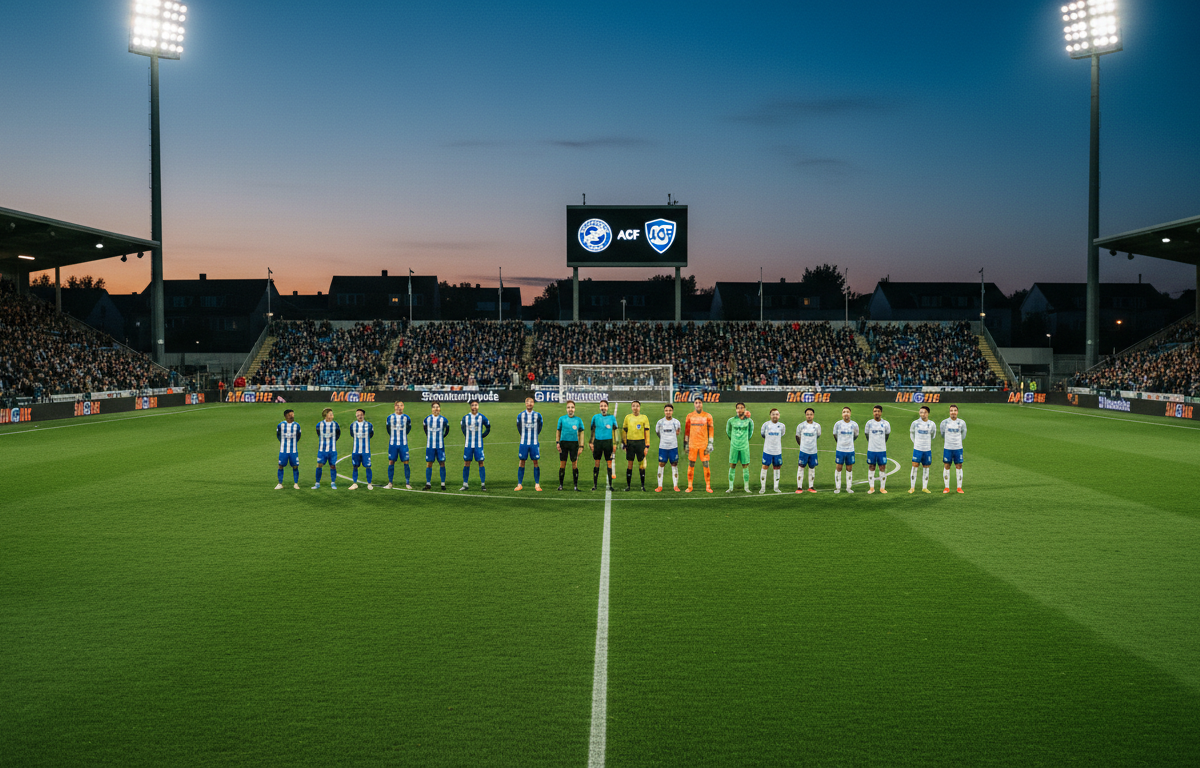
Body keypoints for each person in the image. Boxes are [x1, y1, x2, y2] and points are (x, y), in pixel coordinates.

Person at [683, 396, 715, 493]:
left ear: (702, 404)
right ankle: (689, 486)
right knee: (691, 464)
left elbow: (711, 430)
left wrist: (710, 443)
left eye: (699, 403)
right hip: (692, 444)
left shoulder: (708, 416)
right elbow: (687, 431)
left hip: (703, 445)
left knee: (706, 464)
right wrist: (686, 444)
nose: (698, 404)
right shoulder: (689, 416)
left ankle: (708, 486)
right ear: (694, 404)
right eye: (696, 402)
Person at [460, 398, 491, 491]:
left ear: (478, 406)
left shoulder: (482, 417)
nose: (474, 407)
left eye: (476, 405)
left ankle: (483, 484)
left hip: (478, 445)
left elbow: (488, 427)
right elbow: (463, 428)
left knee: (481, 463)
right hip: (468, 445)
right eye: (472, 405)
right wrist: (467, 436)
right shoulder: (465, 417)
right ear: (470, 407)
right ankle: (465, 484)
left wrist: (482, 436)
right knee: (466, 463)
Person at [621, 399, 651, 491]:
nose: (635, 408)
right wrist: (624, 444)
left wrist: (647, 446)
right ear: (631, 407)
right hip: (630, 443)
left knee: (641, 465)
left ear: (640, 407)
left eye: (637, 406)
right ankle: (628, 486)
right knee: (630, 464)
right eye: (633, 406)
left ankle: (642, 486)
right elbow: (624, 431)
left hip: (640, 443)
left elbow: (647, 432)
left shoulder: (644, 418)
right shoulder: (628, 417)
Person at [514, 396, 543, 491]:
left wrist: (535, 434)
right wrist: (524, 436)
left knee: (535, 462)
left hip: (534, 443)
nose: (529, 404)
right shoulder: (520, 415)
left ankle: (537, 484)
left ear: (533, 403)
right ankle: (519, 484)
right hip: (524, 443)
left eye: (531, 402)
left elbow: (540, 426)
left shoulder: (538, 415)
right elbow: (519, 427)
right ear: (525, 404)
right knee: (522, 461)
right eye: (528, 402)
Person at [589, 399, 618, 491]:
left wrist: (615, 443)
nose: (603, 408)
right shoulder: (595, 417)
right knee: (596, 462)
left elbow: (615, 431)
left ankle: (610, 485)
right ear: (599, 407)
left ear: (607, 407)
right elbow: (592, 431)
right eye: (601, 406)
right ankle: (595, 485)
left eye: (605, 406)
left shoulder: (612, 418)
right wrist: (591, 442)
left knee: (609, 463)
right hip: (598, 442)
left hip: (608, 443)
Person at [725, 402, 755, 493]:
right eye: (738, 408)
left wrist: (745, 440)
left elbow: (750, 433)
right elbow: (728, 432)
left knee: (745, 466)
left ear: (745, 409)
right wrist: (734, 440)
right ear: (736, 410)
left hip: (744, 446)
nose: (740, 409)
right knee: (732, 465)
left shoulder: (749, 421)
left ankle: (746, 487)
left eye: (742, 407)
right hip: (734, 446)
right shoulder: (731, 420)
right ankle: (730, 487)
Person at [556, 399, 585, 491]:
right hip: (563, 444)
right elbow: (558, 431)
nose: (570, 409)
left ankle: (575, 486)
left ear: (574, 409)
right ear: (566, 409)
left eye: (572, 407)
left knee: (574, 465)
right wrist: (557, 442)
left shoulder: (578, 420)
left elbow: (581, 432)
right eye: (568, 407)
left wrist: (581, 446)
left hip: (574, 444)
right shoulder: (562, 419)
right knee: (562, 465)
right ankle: (561, 485)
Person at [908, 405, 938, 494]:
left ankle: (924, 487)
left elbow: (933, 435)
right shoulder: (915, 423)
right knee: (914, 467)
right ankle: (912, 487)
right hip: (917, 449)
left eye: (924, 412)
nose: (923, 414)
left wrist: (926, 442)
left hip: (927, 449)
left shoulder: (932, 424)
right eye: (921, 412)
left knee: (926, 468)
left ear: (928, 413)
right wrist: (916, 442)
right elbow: (911, 433)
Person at [422, 401, 450, 491]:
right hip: (430, 446)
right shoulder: (427, 419)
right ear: (431, 409)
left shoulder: (444, 420)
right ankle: (428, 483)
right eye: (434, 407)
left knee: (442, 463)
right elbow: (425, 428)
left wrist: (443, 436)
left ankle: (443, 484)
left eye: (437, 407)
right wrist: (428, 436)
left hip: (440, 446)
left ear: (440, 408)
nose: (436, 409)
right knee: (429, 463)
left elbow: (447, 430)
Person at [385, 400, 412, 490]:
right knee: (391, 461)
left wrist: (403, 435)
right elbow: (388, 429)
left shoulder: (407, 418)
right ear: (394, 407)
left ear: (403, 407)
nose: (399, 407)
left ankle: (407, 483)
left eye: (401, 405)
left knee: (406, 462)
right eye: (397, 405)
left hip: (403, 444)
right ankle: (390, 483)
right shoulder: (389, 417)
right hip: (393, 443)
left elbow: (409, 428)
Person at [864, 405, 891, 494]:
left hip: (882, 450)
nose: (877, 413)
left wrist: (881, 443)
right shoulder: (869, 423)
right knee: (871, 467)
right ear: (873, 412)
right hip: (871, 450)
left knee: (882, 467)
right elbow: (867, 434)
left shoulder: (886, 424)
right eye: (875, 411)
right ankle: (871, 488)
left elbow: (887, 435)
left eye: (878, 411)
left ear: (881, 413)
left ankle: (882, 488)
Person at [655, 403, 682, 492]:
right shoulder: (660, 422)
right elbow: (657, 433)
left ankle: (675, 486)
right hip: (663, 447)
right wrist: (664, 439)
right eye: (666, 410)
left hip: (673, 447)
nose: (668, 412)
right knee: (661, 464)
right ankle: (660, 486)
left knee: (674, 465)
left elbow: (678, 432)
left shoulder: (676, 422)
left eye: (670, 410)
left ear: (672, 411)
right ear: (664, 411)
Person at [940, 405, 967, 493]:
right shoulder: (944, 422)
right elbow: (942, 433)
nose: (953, 412)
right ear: (949, 412)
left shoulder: (962, 422)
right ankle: (946, 487)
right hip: (947, 448)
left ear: (957, 412)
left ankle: (959, 487)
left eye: (955, 410)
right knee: (947, 466)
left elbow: (963, 433)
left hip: (958, 448)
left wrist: (957, 441)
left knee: (959, 466)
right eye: (951, 410)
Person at [832, 406, 859, 494]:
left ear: (850, 413)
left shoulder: (854, 424)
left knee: (849, 469)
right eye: (844, 412)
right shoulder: (838, 424)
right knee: (839, 468)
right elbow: (835, 434)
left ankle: (848, 487)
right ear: (842, 414)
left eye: (847, 412)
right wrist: (840, 442)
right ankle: (838, 487)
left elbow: (856, 435)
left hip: (850, 450)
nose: (846, 413)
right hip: (840, 450)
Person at [312, 407, 340, 490]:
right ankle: (317, 483)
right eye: (330, 414)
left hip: (332, 450)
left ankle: (333, 483)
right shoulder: (319, 425)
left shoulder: (335, 424)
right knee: (319, 465)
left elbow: (338, 434)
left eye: (332, 414)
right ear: (326, 415)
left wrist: (332, 441)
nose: (332, 416)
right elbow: (318, 434)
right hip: (322, 450)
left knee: (333, 466)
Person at [759, 408, 786, 494]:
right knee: (764, 467)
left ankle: (776, 487)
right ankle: (762, 487)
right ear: (770, 415)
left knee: (777, 468)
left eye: (776, 414)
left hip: (777, 451)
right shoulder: (765, 425)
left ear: (779, 415)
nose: (775, 416)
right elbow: (763, 434)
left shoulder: (782, 426)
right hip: (767, 450)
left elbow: (782, 434)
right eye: (773, 414)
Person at [795, 407, 821, 493]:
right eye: (807, 414)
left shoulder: (817, 426)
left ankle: (811, 487)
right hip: (803, 451)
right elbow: (797, 436)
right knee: (801, 468)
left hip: (813, 451)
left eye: (811, 414)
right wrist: (802, 445)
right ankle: (799, 487)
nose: (809, 416)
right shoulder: (801, 426)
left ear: (813, 415)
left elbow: (818, 435)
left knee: (812, 468)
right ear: (805, 415)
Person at [348, 408, 374, 490]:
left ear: (363, 415)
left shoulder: (369, 425)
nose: (359, 416)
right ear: (356, 416)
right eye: (358, 415)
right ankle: (354, 483)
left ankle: (369, 484)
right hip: (356, 450)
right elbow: (352, 434)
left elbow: (371, 434)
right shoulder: (352, 425)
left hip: (365, 450)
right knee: (355, 466)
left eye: (361, 414)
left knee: (368, 466)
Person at [275, 408, 301, 490]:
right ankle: (280, 484)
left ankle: (296, 483)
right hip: (283, 450)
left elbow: (299, 436)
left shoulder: (297, 425)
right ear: (286, 416)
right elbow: (278, 435)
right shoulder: (280, 425)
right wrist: (283, 442)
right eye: (290, 415)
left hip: (293, 450)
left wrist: (293, 443)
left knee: (295, 466)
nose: (292, 416)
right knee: (280, 466)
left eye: (293, 414)